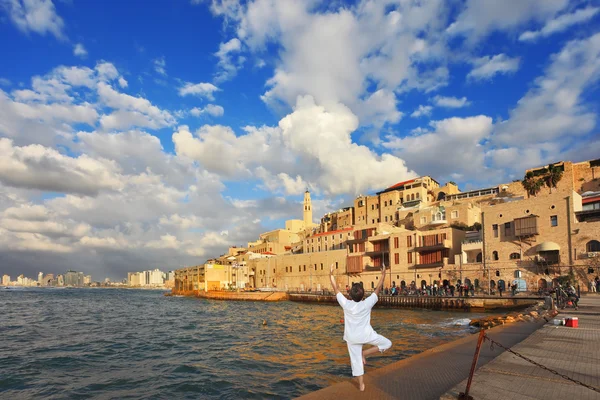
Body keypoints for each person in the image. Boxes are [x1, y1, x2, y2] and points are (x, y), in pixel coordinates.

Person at [329, 263, 392, 392]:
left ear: (350, 295)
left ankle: (361, 386)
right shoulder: (367, 303)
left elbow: (335, 289)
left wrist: (330, 275)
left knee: (356, 362)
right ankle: (365, 353)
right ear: (363, 296)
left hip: (352, 338)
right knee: (387, 343)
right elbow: (378, 289)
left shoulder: (346, 304)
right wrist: (383, 274)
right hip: (366, 335)